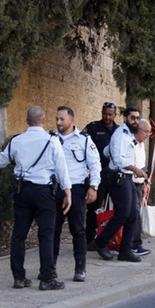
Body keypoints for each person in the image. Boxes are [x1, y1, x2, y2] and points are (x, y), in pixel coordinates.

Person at [0, 105, 72, 290]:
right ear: (44, 121)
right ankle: (47, 278)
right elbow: (61, 167)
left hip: (22, 191)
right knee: (46, 235)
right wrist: (67, 191)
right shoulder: (52, 140)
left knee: (19, 235)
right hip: (44, 192)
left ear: (27, 121)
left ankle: (19, 278)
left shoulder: (17, 141)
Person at [53, 106, 101, 282]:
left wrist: (93, 187)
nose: (58, 122)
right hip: (55, 189)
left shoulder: (84, 140)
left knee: (78, 230)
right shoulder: (51, 138)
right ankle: (50, 268)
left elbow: (95, 164)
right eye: (57, 119)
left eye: (62, 119)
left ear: (71, 120)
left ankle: (80, 267)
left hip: (76, 189)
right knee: (53, 230)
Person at [94, 107, 147, 263]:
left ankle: (125, 250)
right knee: (123, 213)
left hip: (127, 178)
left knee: (132, 215)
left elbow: (107, 151)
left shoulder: (128, 134)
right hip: (118, 178)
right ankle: (101, 241)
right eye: (132, 118)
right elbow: (118, 159)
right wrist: (136, 169)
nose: (135, 121)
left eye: (137, 118)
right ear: (125, 118)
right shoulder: (120, 134)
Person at [84, 102, 119, 247]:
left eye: (110, 114)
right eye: (105, 114)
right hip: (98, 173)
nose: (107, 117)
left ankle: (112, 236)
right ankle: (90, 237)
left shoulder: (119, 131)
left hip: (114, 173)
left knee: (116, 206)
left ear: (115, 115)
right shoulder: (93, 128)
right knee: (94, 206)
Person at [131, 118, 152, 256]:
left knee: (136, 214)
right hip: (130, 182)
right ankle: (135, 244)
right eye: (146, 132)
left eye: (149, 132)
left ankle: (135, 243)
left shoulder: (141, 145)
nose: (148, 135)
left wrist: (144, 182)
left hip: (139, 183)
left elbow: (142, 165)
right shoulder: (130, 144)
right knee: (133, 215)